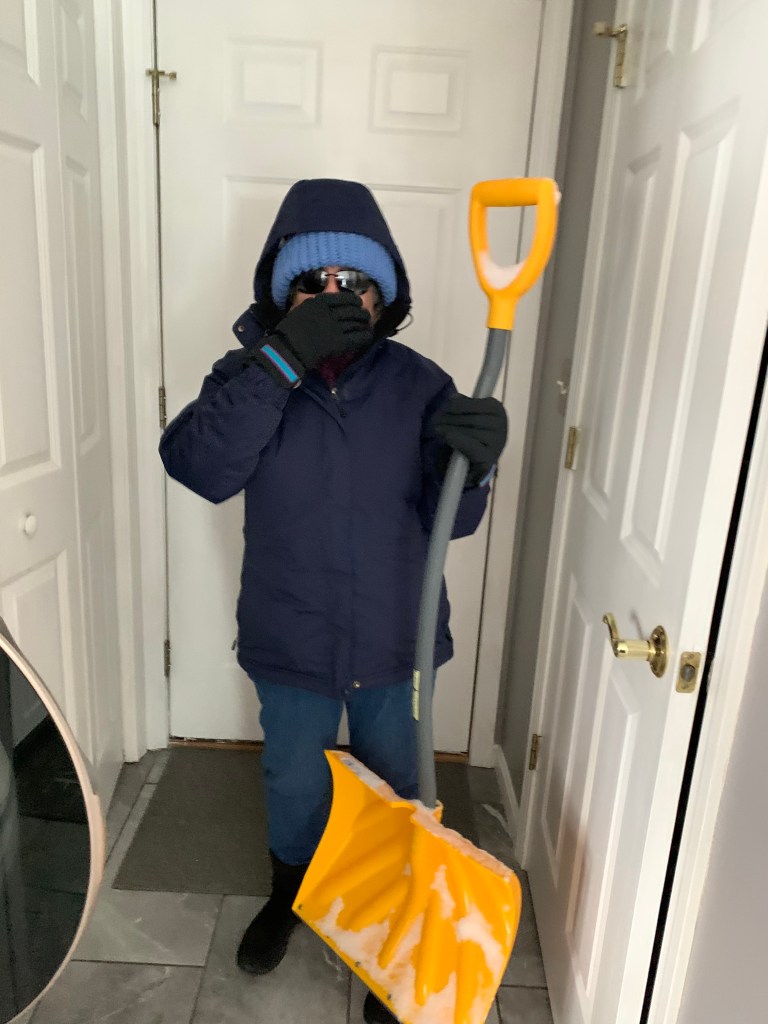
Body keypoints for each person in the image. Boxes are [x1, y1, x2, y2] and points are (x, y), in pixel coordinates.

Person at [159, 178, 507, 1024]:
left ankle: (397, 923)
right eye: (315, 285)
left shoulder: (421, 383)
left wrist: (479, 464)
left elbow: (449, 521)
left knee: (400, 785)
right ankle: (291, 891)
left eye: (356, 284)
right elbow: (200, 467)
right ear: (285, 295)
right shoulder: (250, 376)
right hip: (292, 637)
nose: (336, 299)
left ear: (383, 296)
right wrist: (282, 360)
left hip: (397, 639)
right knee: (295, 780)